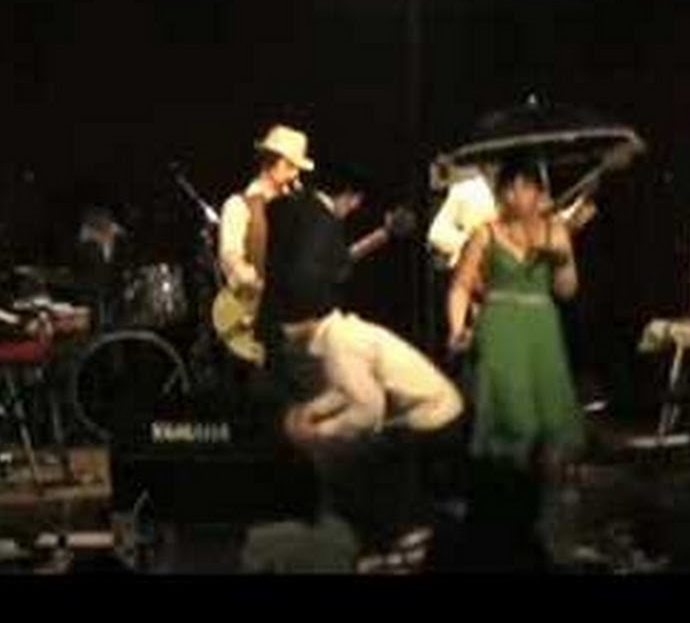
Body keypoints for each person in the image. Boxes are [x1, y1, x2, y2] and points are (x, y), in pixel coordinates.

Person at [258, 169, 463, 568]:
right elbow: (351, 391)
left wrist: (318, 429)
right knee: (348, 453)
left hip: (433, 421)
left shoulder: (337, 342)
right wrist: (314, 414)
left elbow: (367, 410)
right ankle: (386, 536)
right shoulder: (317, 223)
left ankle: (396, 538)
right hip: (426, 414)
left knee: (354, 461)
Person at [446, 153, 585, 565]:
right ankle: (507, 520)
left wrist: (563, 256)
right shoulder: (486, 232)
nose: (516, 194)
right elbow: (460, 286)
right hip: (500, 327)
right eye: (508, 187)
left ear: (539, 192)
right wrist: (456, 327)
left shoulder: (555, 230)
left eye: (525, 186)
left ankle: (546, 523)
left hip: (542, 329)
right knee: (513, 420)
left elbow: (567, 291)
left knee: (552, 426)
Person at [214, 124, 313, 365]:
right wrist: (241, 269)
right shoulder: (238, 205)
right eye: (292, 167)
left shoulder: (296, 209)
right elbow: (229, 253)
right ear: (275, 163)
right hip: (251, 322)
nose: (296, 177)